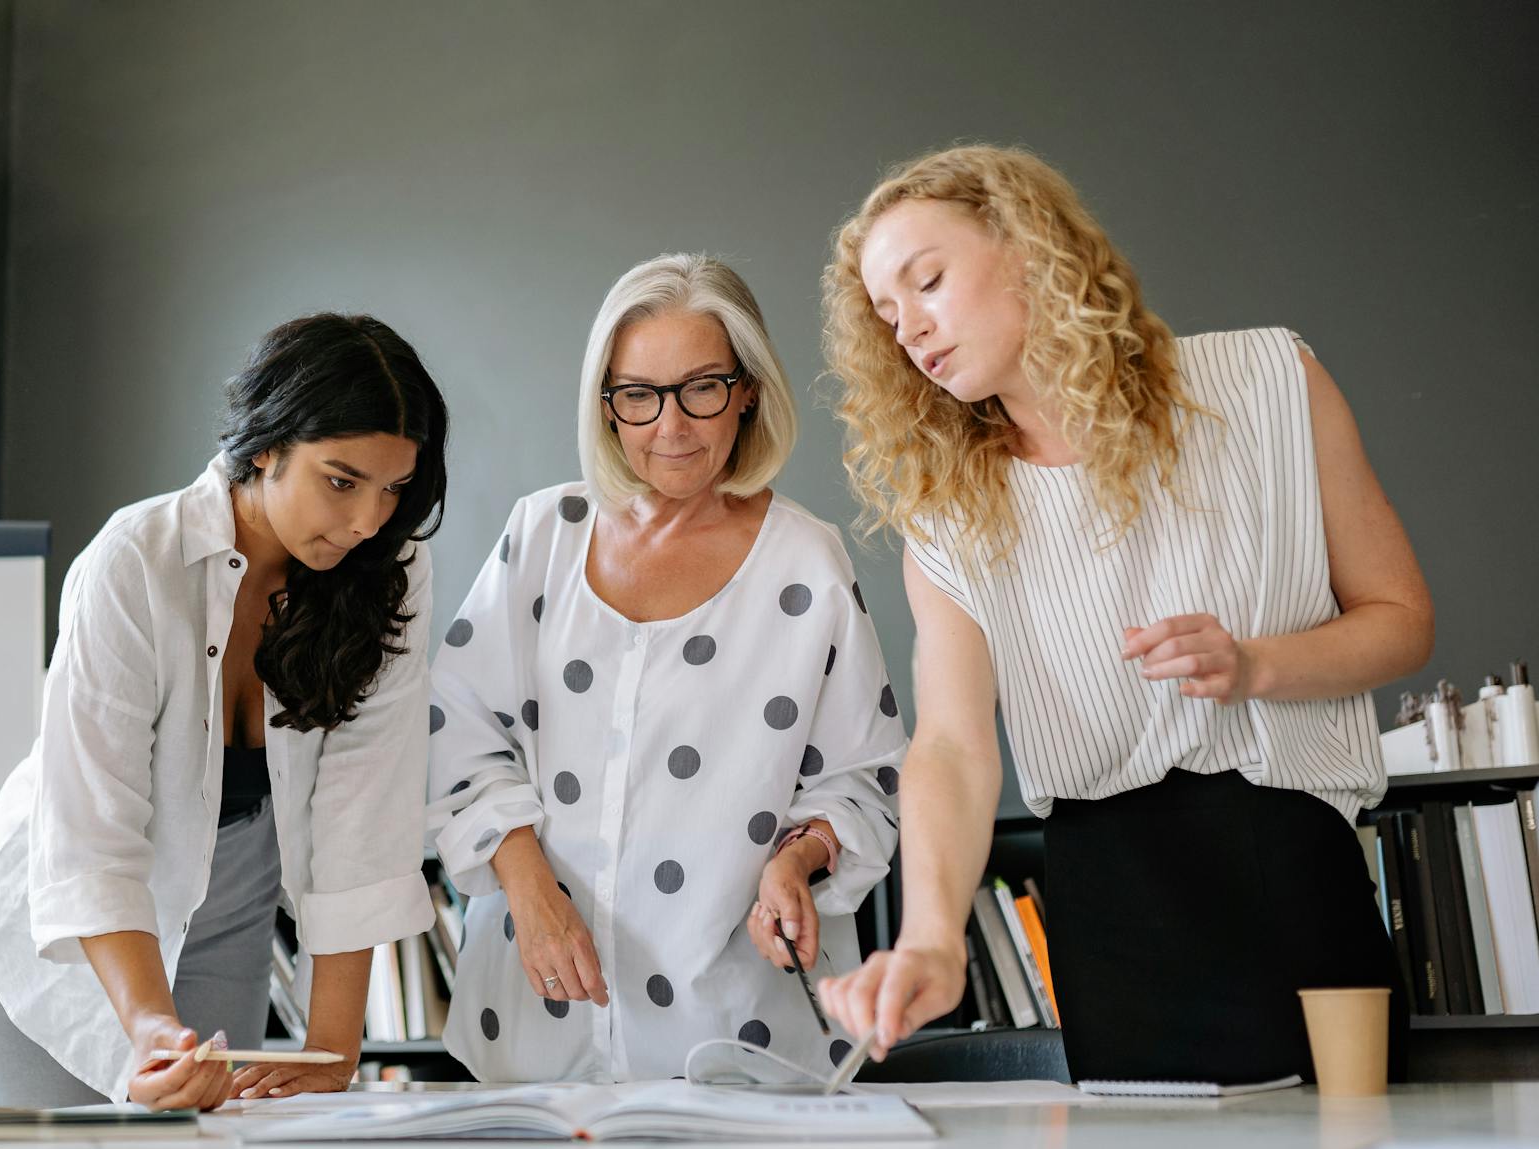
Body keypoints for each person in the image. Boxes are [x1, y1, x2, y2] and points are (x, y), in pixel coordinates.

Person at [816, 146, 1431, 1084]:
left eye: (928, 281)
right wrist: (933, 938)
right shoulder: (946, 512)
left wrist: (1257, 667)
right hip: (1111, 909)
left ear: (1027, 244)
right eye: (890, 317)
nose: (911, 331)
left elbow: (1401, 619)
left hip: (1292, 868)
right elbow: (949, 745)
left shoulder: (1268, 381)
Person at [427, 254, 905, 1082]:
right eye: (639, 394)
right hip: (535, 1027)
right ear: (605, 403)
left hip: (736, 1035)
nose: (671, 426)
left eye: (701, 388)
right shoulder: (541, 534)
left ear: (749, 388)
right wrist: (533, 895)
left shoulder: (807, 562)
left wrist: (797, 860)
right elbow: (456, 736)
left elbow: (864, 778)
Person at [0, 313, 449, 1109]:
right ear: (265, 445)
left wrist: (332, 1044)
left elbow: (366, 803)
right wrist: (149, 1027)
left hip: (232, 923)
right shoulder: (134, 561)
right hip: (76, 940)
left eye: (393, 489)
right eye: (340, 479)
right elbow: (91, 826)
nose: (366, 521)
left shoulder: (388, 569)